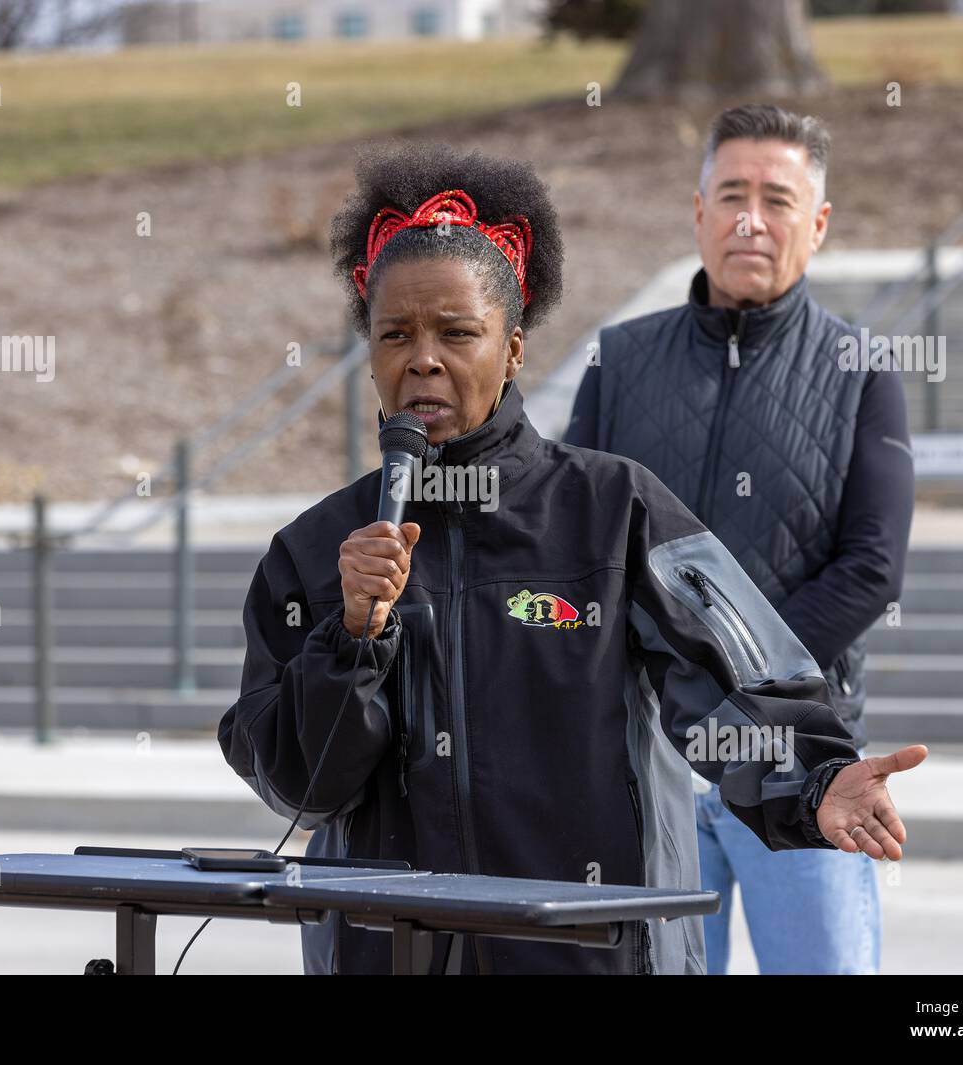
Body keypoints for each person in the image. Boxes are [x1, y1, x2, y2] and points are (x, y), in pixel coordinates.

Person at [218, 141, 925, 975]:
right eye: (395, 334)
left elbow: (733, 682)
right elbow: (300, 784)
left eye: (457, 331)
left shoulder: (613, 509)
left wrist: (813, 781)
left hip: (593, 958)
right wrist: (351, 636)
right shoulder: (313, 551)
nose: (424, 359)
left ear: (513, 348)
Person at [564, 104, 917, 974]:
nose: (750, 218)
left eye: (778, 198)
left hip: (803, 768)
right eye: (730, 195)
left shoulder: (860, 371)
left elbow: (870, 569)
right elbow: (575, 537)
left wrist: (737, 682)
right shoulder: (619, 359)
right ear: (698, 214)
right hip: (646, 770)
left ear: (819, 224)